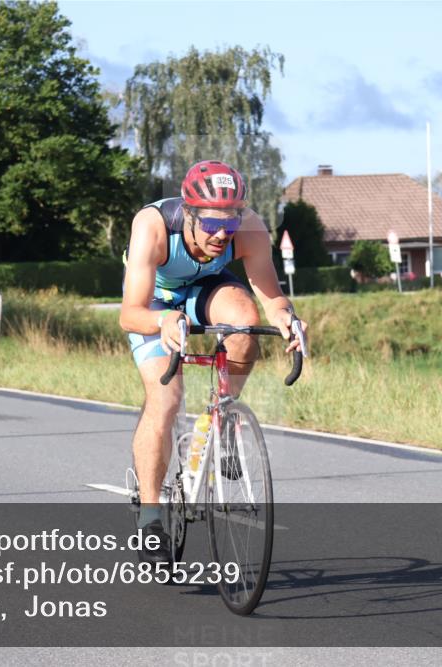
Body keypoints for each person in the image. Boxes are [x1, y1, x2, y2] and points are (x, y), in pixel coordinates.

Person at [119, 160, 308, 564]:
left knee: (246, 321)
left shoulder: (250, 228)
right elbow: (129, 313)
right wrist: (163, 320)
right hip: (155, 303)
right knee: (166, 401)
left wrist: (288, 319)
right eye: (209, 225)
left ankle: (220, 417)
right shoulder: (152, 226)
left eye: (231, 223)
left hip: (205, 290)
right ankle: (151, 520)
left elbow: (271, 297)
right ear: (188, 214)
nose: (222, 234)